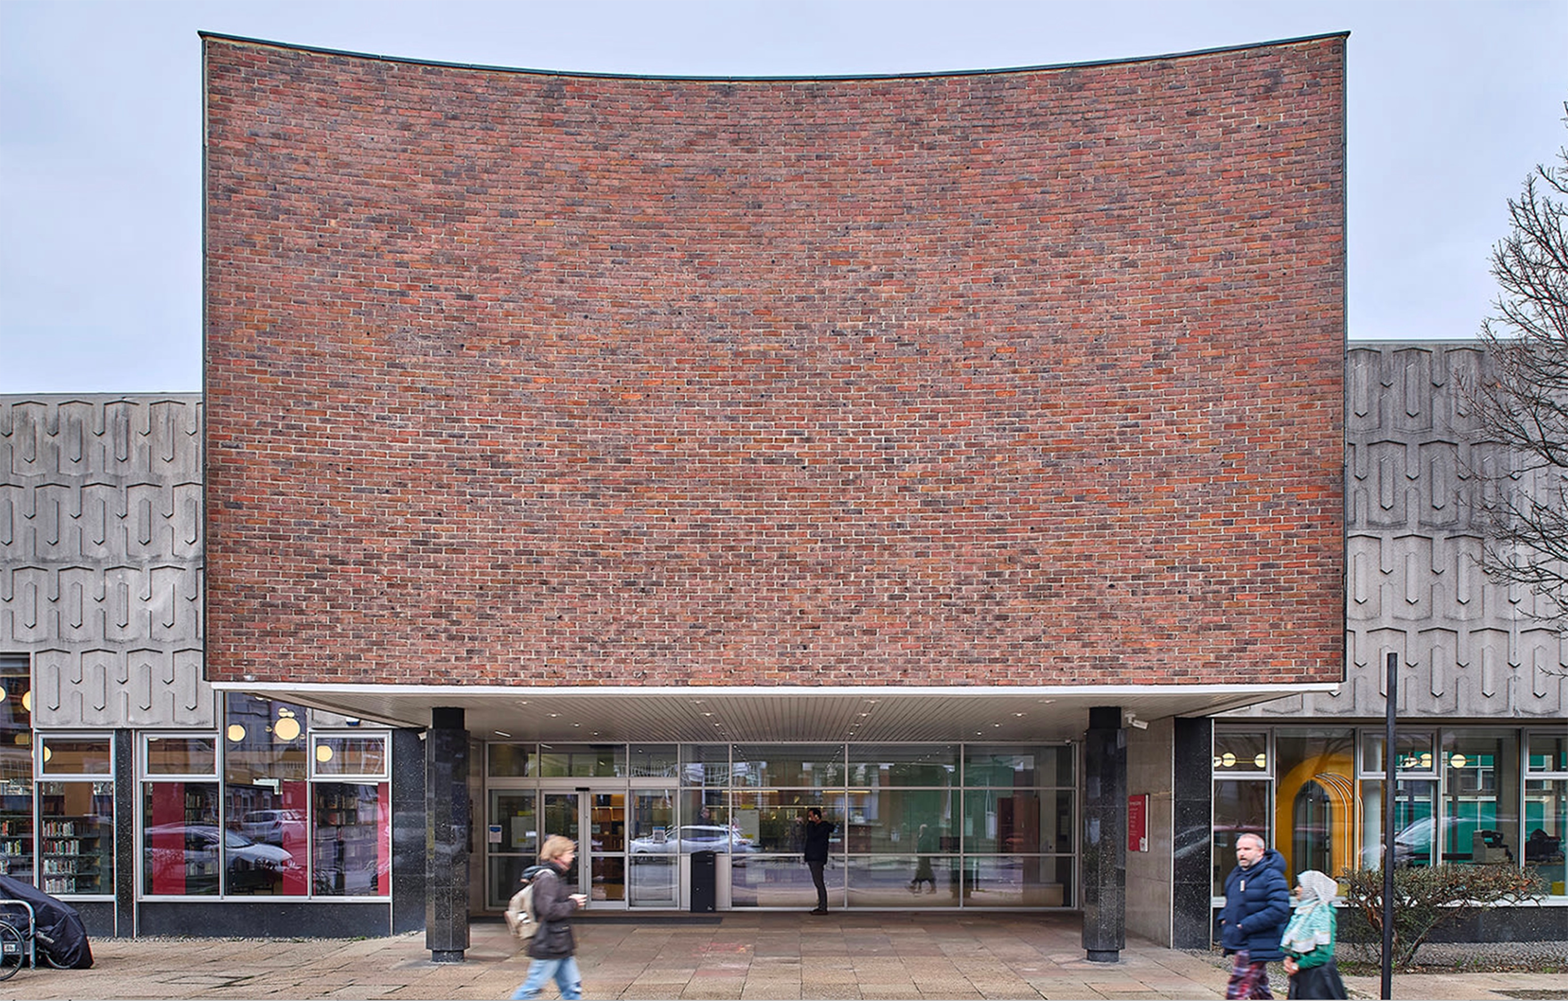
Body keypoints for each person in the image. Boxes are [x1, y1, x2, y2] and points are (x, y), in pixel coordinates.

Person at [510, 835, 589, 1001]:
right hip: (550, 943)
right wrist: (572, 903)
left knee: (572, 989)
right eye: (569, 853)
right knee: (532, 988)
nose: (573, 856)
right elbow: (548, 910)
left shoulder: (554, 876)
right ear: (557, 855)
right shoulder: (547, 878)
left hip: (560, 943)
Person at [1218, 833, 1290, 999]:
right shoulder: (1237, 874)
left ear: (1260, 851)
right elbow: (1231, 902)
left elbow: (1279, 910)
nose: (1241, 853)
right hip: (1242, 938)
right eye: (1239, 849)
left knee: (1238, 987)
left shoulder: (1272, 876)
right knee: (1259, 990)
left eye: (1247, 849)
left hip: (1256, 941)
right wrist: (1223, 918)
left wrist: (1245, 925)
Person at [1280, 870, 1347, 1000]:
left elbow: (1323, 953)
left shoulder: (1323, 914)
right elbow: (1298, 943)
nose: (1296, 889)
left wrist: (1298, 965)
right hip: (1304, 977)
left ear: (1312, 890)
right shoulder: (1303, 912)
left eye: (1301, 886)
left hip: (1319, 979)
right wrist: (1291, 957)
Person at [803, 807, 833, 914]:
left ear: (816, 816)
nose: (809, 819)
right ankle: (821, 905)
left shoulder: (821, 828)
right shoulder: (819, 827)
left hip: (817, 858)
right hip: (815, 857)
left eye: (811, 816)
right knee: (818, 882)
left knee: (819, 882)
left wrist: (810, 824)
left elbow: (812, 836)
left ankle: (823, 907)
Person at [909, 823, 936, 892]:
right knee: (924, 872)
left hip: (924, 857)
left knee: (922, 871)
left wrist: (920, 853)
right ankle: (918, 886)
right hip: (923, 857)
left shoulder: (925, 838)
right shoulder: (923, 837)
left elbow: (923, 847)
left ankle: (914, 884)